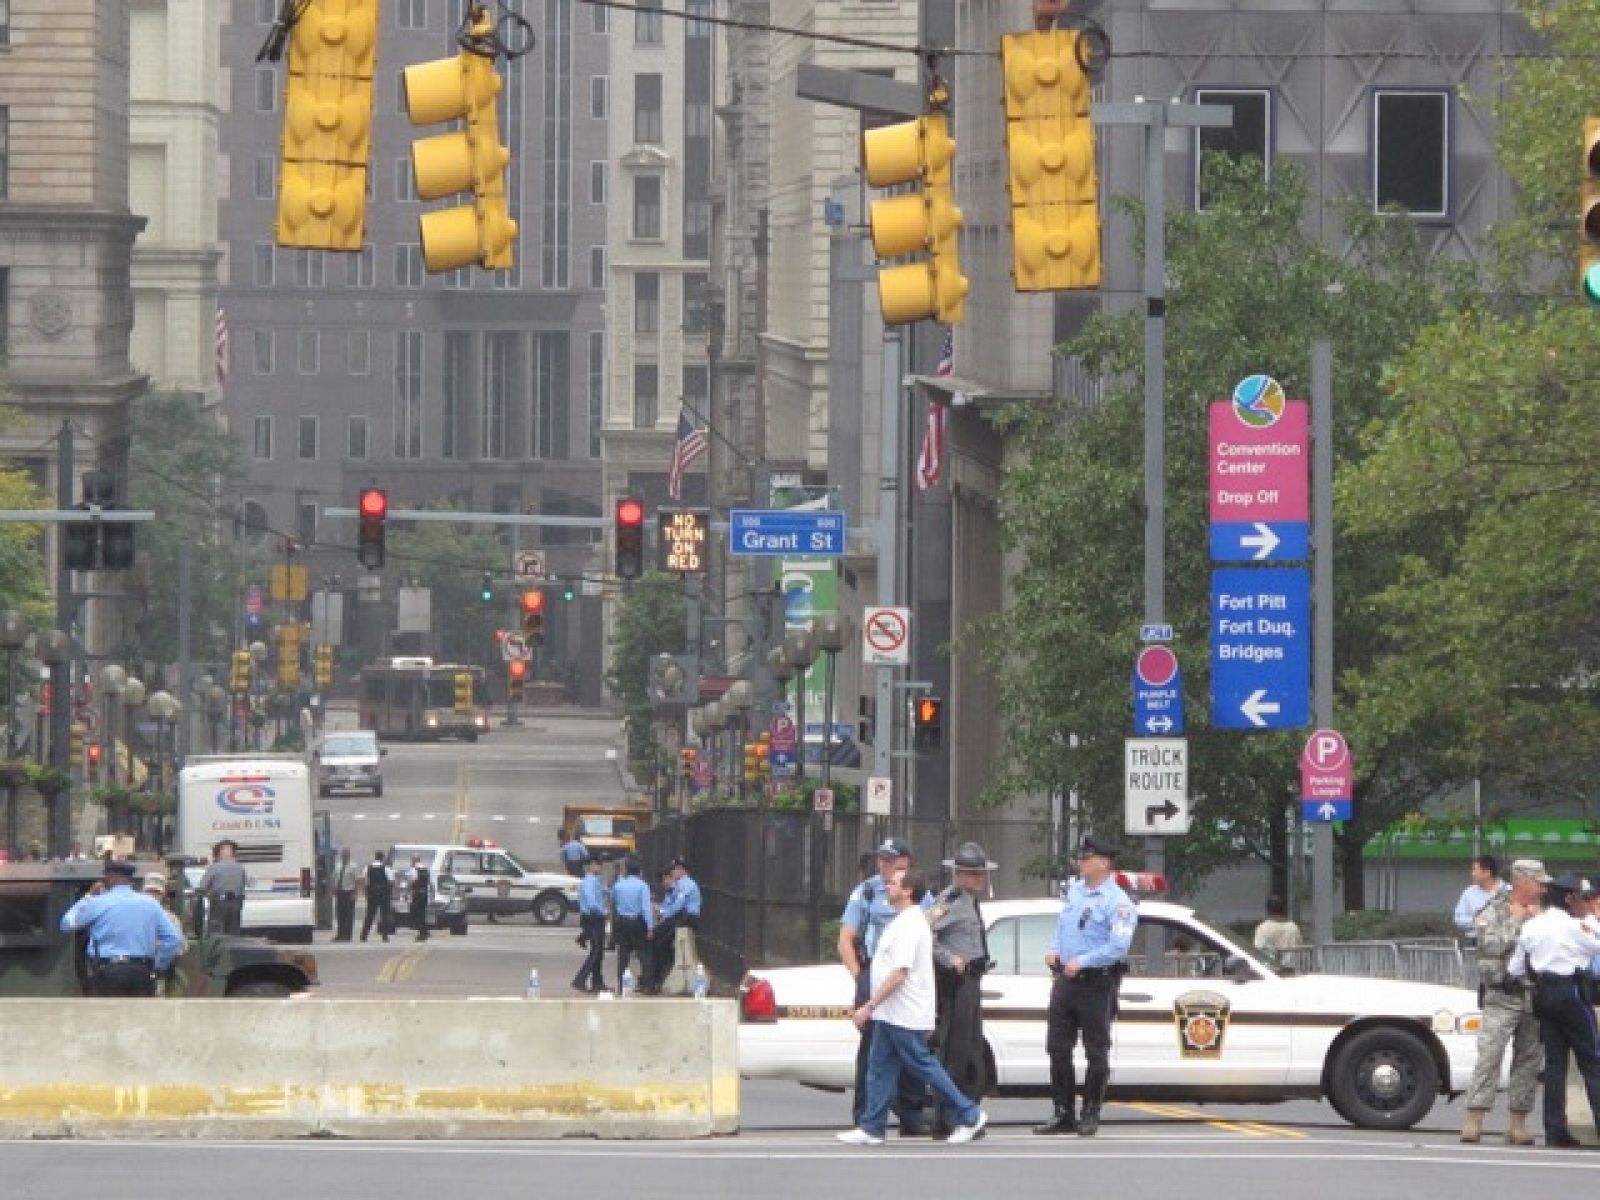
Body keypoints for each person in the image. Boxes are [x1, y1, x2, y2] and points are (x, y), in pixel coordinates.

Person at [836, 868, 989, 1147]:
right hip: (892, 1012)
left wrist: (869, 1006)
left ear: (907, 891)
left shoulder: (910, 924)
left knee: (922, 1065)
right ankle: (872, 1126)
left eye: (893, 883)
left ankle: (969, 1113)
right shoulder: (903, 921)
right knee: (879, 1065)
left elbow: (899, 974)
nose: (887, 886)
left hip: (904, 1012)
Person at [1034, 833, 1137, 1138]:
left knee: (1096, 1050)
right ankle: (1062, 1112)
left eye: (1086, 858)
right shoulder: (1075, 892)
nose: (1080, 862)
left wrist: (1086, 961)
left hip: (1096, 983)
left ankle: (1090, 1112)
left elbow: (1118, 946)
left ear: (1103, 863)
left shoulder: (1118, 903)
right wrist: (1055, 950)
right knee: (1057, 1048)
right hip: (1066, 981)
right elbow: (1063, 928)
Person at [838, 837, 931, 1135]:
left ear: (906, 862)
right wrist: (860, 977)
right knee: (871, 1049)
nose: (884, 865)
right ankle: (865, 1115)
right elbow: (845, 939)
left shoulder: (917, 894)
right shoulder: (866, 891)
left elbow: (929, 933)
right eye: (882, 859)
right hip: (874, 976)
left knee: (908, 1046)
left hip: (905, 978)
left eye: (891, 860)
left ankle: (911, 1115)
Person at [1509, 871, 1600, 1147]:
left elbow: (1515, 968)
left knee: (1555, 1064)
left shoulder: (1533, 926)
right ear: (1571, 898)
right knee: (1592, 1061)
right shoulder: (1575, 926)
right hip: (1571, 992)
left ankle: (1554, 1130)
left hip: (1543, 994)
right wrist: (1590, 918)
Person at [1460, 858, 1548, 1145]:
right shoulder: (1494, 909)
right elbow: (1489, 945)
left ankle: (1517, 1123)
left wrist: (1538, 922)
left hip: (1533, 995)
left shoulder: (1546, 913)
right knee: (1490, 1055)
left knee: (1528, 1060)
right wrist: (1516, 921)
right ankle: (1475, 1118)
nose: (1542, 888)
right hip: (1501, 995)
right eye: (1537, 882)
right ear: (1522, 882)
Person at [929, 842, 996, 1135]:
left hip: (972, 982)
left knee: (971, 1052)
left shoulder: (969, 900)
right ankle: (950, 1118)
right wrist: (949, 959)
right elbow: (923, 933)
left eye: (981, 873)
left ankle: (961, 1114)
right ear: (958, 874)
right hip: (957, 985)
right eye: (973, 873)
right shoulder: (951, 900)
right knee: (956, 1053)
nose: (979, 878)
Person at [60, 861, 184, 996]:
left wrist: (88, 896)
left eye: (106, 877)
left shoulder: (98, 902)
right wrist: (158, 967)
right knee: (141, 1015)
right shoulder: (151, 904)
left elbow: (67, 924)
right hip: (141, 972)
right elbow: (172, 939)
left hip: (107, 972)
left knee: (107, 1015)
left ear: (113, 877)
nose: (104, 880)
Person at [652, 857, 702, 995]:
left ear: (681, 870)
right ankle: (661, 973)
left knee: (660, 940)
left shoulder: (686, 884)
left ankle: (659, 976)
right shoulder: (678, 884)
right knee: (659, 938)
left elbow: (678, 905)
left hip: (687, 918)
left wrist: (664, 914)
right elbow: (670, 904)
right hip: (680, 917)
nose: (672, 872)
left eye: (674, 869)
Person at [611, 856, 654, 990]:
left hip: (622, 921)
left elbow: (614, 903)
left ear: (627, 870)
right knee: (644, 953)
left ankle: (621, 984)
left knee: (623, 954)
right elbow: (646, 908)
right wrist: (650, 927)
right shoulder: (643, 886)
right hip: (637, 922)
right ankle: (647, 984)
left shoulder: (618, 885)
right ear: (639, 871)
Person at [571, 857, 610, 994]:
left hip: (595, 918)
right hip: (592, 918)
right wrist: (604, 912)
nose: (600, 868)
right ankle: (580, 979)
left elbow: (603, 894)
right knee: (596, 951)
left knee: (598, 952)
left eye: (600, 865)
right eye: (598, 865)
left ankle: (597, 983)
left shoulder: (597, 881)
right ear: (592, 866)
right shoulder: (589, 882)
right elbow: (593, 903)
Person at [198, 838, 249, 934]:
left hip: (219, 903)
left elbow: (203, 886)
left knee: (216, 931)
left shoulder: (214, 867)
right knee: (233, 932)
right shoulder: (240, 867)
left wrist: (208, 893)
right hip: (236, 903)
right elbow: (246, 884)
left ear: (219, 853)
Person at [1453, 855, 1505, 945]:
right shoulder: (1469, 892)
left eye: (1474, 870)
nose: (1472, 873)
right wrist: (1474, 921)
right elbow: (1458, 919)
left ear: (1487, 872)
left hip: (1503, 941)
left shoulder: (1508, 891)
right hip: (1474, 941)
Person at [1252, 895, 1303, 965]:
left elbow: (1258, 952)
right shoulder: (1294, 927)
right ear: (1284, 909)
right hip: (1295, 971)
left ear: (1268, 910)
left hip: (1272, 972)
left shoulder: (1263, 928)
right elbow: (1300, 948)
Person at [360, 851, 393, 943]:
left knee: (370, 915)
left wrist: (366, 891)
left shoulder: (368, 867)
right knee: (384, 915)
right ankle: (385, 936)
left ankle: (364, 935)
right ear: (383, 858)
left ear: (375, 857)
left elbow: (363, 880)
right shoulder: (386, 868)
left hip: (372, 893)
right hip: (383, 893)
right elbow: (391, 881)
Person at [332, 847, 361, 942]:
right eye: (343, 854)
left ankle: (347, 935)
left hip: (349, 892)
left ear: (349, 855)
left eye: (346, 854)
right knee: (340, 915)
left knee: (348, 915)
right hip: (340, 892)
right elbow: (336, 878)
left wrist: (355, 893)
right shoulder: (338, 865)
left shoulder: (353, 866)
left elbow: (357, 880)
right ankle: (340, 934)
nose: (344, 856)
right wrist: (334, 888)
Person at [406, 852, 432, 941]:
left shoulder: (413, 870)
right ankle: (425, 930)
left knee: (416, 914)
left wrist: (410, 890)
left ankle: (422, 934)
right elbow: (429, 882)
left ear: (414, 860)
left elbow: (412, 881)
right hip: (424, 893)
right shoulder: (425, 869)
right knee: (422, 913)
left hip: (417, 893)